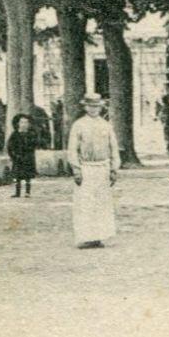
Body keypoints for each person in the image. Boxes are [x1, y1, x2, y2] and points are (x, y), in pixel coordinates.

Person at [65, 93, 120, 249]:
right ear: (85, 107)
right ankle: (86, 237)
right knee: (85, 203)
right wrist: (76, 169)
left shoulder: (106, 125)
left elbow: (113, 147)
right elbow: (72, 148)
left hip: (103, 167)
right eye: (90, 106)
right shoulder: (79, 125)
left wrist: (114, 169)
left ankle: (100, 236)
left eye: (96, 107)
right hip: (86, 167)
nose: (94, 109)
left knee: (102, 203)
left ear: (100, 107)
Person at [7, 113, 38, 199]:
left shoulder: (31, 134)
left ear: (29, 124)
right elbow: (10, 146)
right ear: (18, 124)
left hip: (28, 157)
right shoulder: (15, 134)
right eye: (22, 122)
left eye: (26, 122)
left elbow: (34, 144)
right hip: (18, 157)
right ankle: (17, 192)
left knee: (28, 176)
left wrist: (30, 150)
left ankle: (27, 192)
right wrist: (13, 156)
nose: (24, 124)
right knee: (17, 176)